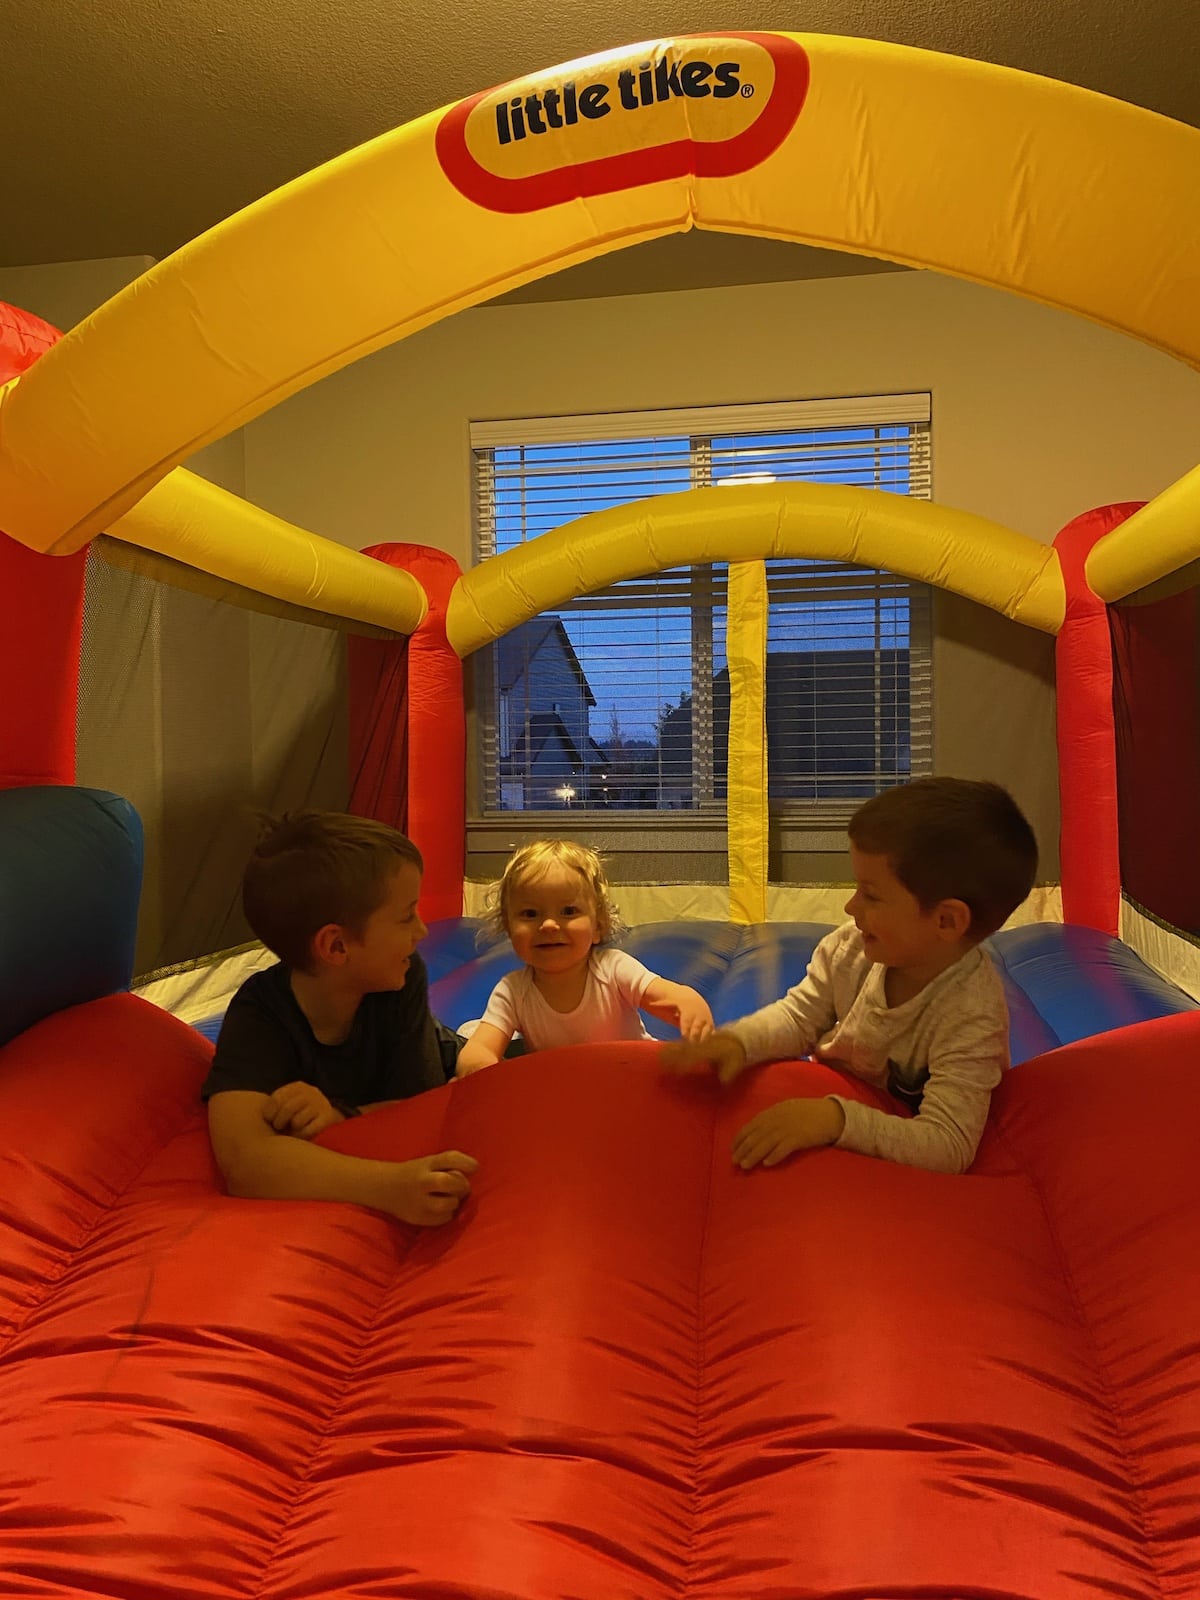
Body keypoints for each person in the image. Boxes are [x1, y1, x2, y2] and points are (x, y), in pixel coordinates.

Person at [662, 778, 1038, 1175]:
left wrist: (834, 1120)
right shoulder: (851, 948)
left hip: (890, 1147)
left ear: (946, 920)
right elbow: (799, 1018)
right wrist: (739, 1042)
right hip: (835, 1095)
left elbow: (948, 1143)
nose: (850, 907)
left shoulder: (972, 1015)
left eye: (871, 895)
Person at [203, 811, 477, 1226]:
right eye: (407, 916)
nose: (422, 931)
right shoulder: (260, 1011)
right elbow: (245, 1160)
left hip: (449, 1054)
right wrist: (389, 1187)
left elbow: (419, 1107)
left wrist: (338, 1115)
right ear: (336, 947)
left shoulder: (403, 978)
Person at [456, 839, 714, 1073]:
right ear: (508, 927)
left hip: (632, 1074)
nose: (549, 925)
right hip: (568, 1089)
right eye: (530, 914)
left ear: (598, 926)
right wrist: (477, 1066)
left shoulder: (614, 969)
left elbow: (671, 998)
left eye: (568, 911)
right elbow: (481, 1048)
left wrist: (689, 1008)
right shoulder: (512, 991)